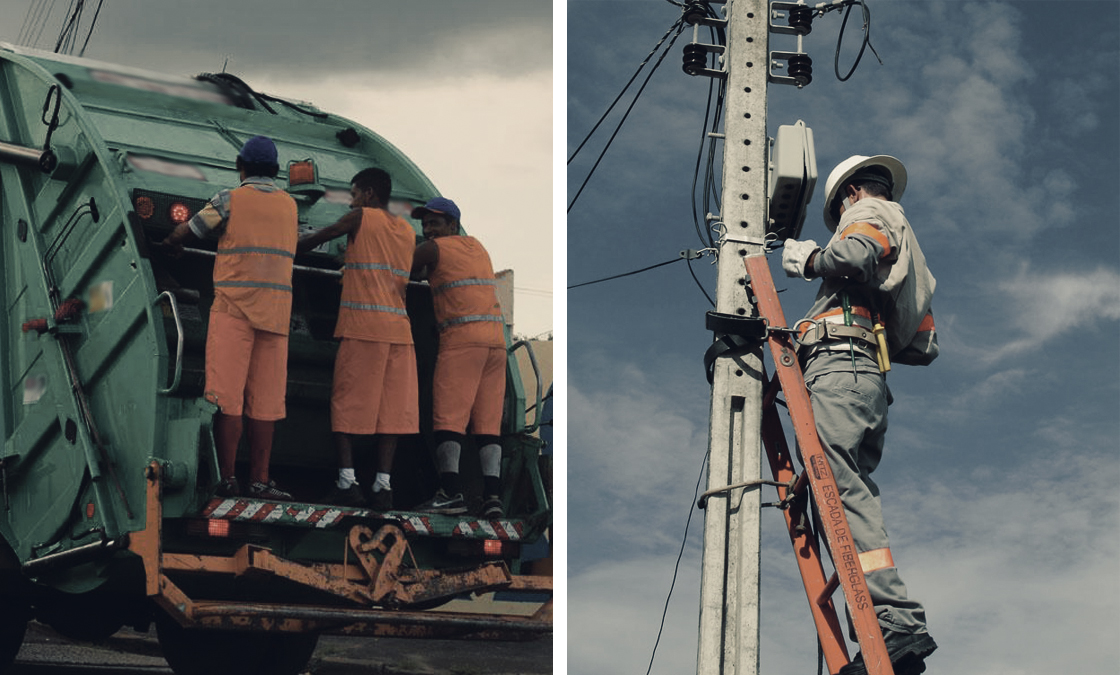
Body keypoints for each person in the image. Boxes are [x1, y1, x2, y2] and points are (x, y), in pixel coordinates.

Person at [781, 155, 939, 675]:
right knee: (842, 497)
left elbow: (853, 254)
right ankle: (876, 635)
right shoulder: (903, 234)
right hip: (861, 378)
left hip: (842, 368)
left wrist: (808, 261)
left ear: (848, 193)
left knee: (839, 491)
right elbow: (919, 344)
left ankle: (893, 626)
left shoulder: (870, 209)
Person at [162, 135, 297, 501]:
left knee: (227, 398)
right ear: (274, 170)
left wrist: (171, 245)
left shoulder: (230, 198)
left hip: (235, 311)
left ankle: (228, 477)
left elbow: (190, 229)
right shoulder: (290, 206)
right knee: (266, 402)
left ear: (241, 166)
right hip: (276, 316)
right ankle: (261, 480)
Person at [296, 168, 418, 511]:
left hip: (364, 330)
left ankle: (347, 482)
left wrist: (278, 246)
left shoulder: (359, 217)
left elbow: (317, 238)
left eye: (353, 194)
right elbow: (382, 267)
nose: (350, 200)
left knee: (346, 404)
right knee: (392, 412)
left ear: (367, 194)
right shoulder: (407, 231)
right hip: (400, 334)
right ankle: (383, 485)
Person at [410, 198, 506, 518]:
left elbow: (401, 264)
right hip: (495, 345)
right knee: (487, 425)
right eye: (425, 224)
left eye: (434, 223)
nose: (428, 229)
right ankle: (492, 496)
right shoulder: (477, 248)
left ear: (452, 225)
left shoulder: (434, 249)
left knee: (448, 419)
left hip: (462, 341)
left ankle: (450, 492)